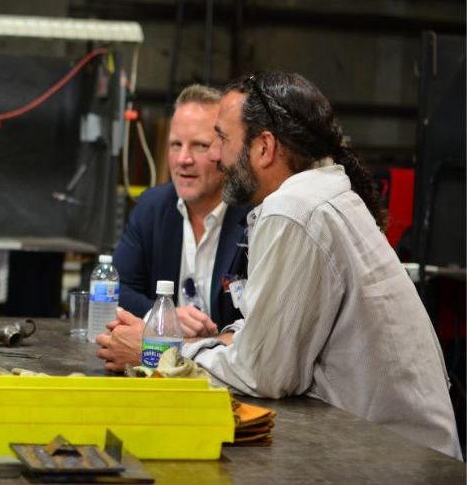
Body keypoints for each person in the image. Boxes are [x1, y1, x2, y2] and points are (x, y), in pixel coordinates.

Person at [102, 71, 461, 459]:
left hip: (395, 465)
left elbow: (263, 374)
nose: (216, 156)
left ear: (264, 147)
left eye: (221, 139)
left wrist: (155, 353)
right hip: (400, 455)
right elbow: (263, 339)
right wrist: (208, 344)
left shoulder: (294, 210)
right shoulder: (315, 196)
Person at [113, 84, 251, 337]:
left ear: (226, 149)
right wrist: (163, 317)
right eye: (176, 144)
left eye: (200, 145)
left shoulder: (254, 216)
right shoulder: (152, 207)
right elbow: (117, 288)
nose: (182, 159)